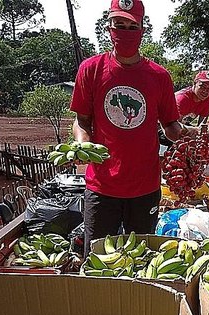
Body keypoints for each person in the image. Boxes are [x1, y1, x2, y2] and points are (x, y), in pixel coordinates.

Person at [70, 0, 195, 256]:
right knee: (97, 259)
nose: (125, 32)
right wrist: (82, 143)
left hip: (144, 186)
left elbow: (170, 125)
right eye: (119, 25)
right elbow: (82, 121)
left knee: (141, 258)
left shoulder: (159, 76)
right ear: (109, 27)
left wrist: (184, 134)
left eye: (132, 26)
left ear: (142, 29)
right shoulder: (90, 70)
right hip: (102, 186)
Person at [159, 70, 209, 147]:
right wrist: (194, 131)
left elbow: (202, 122)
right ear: (195, 84)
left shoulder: (208, 98)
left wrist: (201, 133)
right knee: (182, 148)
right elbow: (171, 125)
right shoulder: (182, 99)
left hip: (181, 124)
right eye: (202, 87)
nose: (205, 91)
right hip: (162, 126)